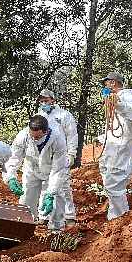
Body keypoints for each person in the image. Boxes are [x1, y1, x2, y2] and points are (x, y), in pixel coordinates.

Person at [3, 115, 67, 232]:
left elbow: (58, 169)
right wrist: (11, 177)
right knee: (26, 200)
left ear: (46, 132)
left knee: (55, 200)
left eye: (37, 137)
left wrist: (51, 192)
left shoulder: (58, 140)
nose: (34, 139)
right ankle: (25, 229)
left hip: (50, 172)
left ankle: (56, 230)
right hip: (31, 170)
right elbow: (13, 158)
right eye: (32, 136)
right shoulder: (23, 136)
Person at [98, 72, 132, 220]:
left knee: (114, 183)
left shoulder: (127, 96)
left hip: (123, 147)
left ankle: (120, 217)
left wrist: (118, 104)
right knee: (106, 174)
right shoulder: (114, 98)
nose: (105, 86)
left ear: (113, 83)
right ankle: (116, 212)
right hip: (113, 146)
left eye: (106, 83)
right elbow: (114, 124)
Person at [37, 89, 78, 226]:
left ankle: (69, 216)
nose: (44, 103)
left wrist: (72, 153)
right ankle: (43, 214)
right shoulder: (38, 116)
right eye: (42, 101)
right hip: (44, 155)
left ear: (53, 100)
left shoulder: (64, 115)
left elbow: (72, 135)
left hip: (61, 155)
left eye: (46, 101)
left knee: (63, 185)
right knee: (44, 184)